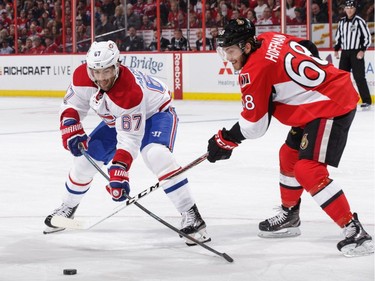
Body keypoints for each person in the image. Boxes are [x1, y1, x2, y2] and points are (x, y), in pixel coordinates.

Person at [206, 18, 374, 257]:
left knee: (308, 170)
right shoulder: (269, 38)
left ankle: (355, 231)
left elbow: (255, 127)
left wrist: (225, 139)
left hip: (331, 105)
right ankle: (290, 215)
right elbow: (307, 46)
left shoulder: (254, 71)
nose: (228, 57)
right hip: (316, 103)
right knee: (288, 156)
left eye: (230, 50)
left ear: (245, 46)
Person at [43, 40, 211, 246]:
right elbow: (72, 104)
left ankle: (191, 214)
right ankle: (67, 209)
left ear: (117, 65)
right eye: (96, 72)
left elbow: (129, 138)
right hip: (118, 119)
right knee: (85, 162)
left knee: (156, 154)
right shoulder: (82, 76)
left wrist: (120, 169)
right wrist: (70, 124)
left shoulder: (129, 91)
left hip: (156, 114)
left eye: (106, 71)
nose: (101, 78)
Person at [334, 0, 372, 109]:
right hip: (345, 52)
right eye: (347, 8)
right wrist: (336, 49)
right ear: (345, 9)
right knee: (342, 78)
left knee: (359, 77)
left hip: (356, 52)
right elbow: (339, 37)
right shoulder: (341, 22)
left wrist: (362, 50)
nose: (349, 10)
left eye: (351, 8)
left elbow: (367, 37)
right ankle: (343, 100)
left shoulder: (360, 21)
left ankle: (367, 101)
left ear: (355, 9)